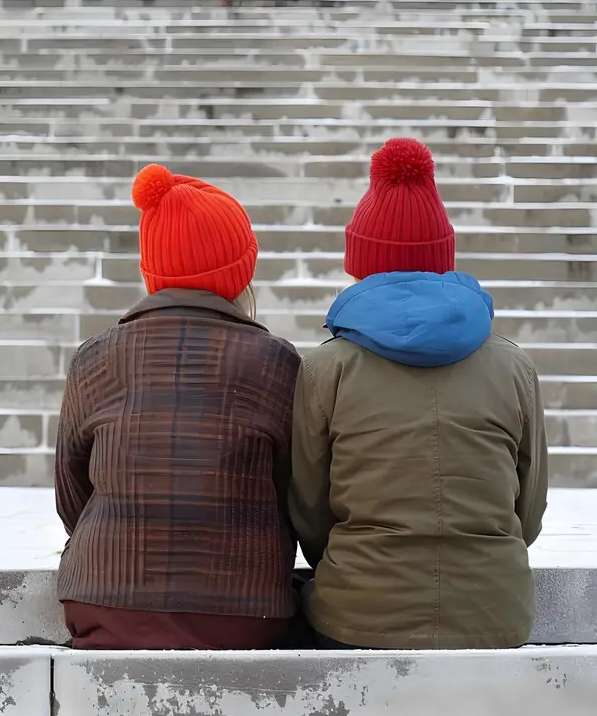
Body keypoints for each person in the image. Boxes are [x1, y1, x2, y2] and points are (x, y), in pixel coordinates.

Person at [289, 138, 548, 650]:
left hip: (357, 616)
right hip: (495, 614)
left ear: (359, 264)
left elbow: (310, 514)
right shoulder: (515, 366)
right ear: (443, 260)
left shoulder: (325, 368)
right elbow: (530, 510)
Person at [55, 164, 300, 650]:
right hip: (245, 612)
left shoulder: (94, 357)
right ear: (241, 270)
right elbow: (297, 491)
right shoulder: (278, 362)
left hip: (104, 604)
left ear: (153, 271)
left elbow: (71, 497)